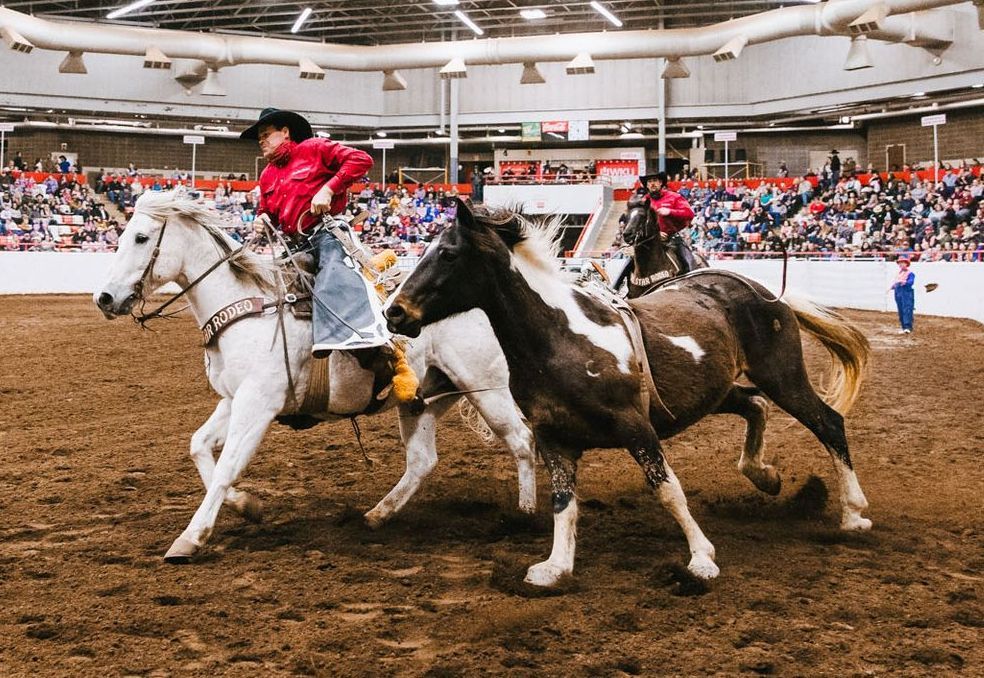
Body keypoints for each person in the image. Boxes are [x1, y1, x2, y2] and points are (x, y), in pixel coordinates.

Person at [240, 107, 416, 400]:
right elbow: (268, 210)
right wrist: (262, 218)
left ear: (285, 132)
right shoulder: (268, 174)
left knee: (334, 278)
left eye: (265, 134)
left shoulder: (314, 149)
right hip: (293, 243)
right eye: (259, 137)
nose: (262, 141)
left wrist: (329, 189)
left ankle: (373, 350)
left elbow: (362, 159)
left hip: (326, 235)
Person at [639, 171, 698, 273]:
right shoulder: (643, 201)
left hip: (671, 239)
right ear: (647, 185)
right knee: (631, 262)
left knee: (688, 263)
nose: (652, 183)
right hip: (649, 241)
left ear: (661, 182)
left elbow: (689, 214)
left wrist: (670, 211)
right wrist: (655, 234)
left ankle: (693, 283)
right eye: (649, 181)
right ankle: (616, 286)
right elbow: (638, 222)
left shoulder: (674, 197)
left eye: (655, 180)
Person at [890, 256, 915, 334]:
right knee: (900, 309)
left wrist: (905, 283)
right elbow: (896, 282)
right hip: (898, 292)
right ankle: (904, 327)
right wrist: (894, 286)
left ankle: (908, 327)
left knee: (907, 309)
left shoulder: (910, 273)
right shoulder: (899, 273)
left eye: (902, 263)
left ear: (906, 264)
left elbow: (911, 282)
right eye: (899, 263)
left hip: (906, 292)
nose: (900, 264)